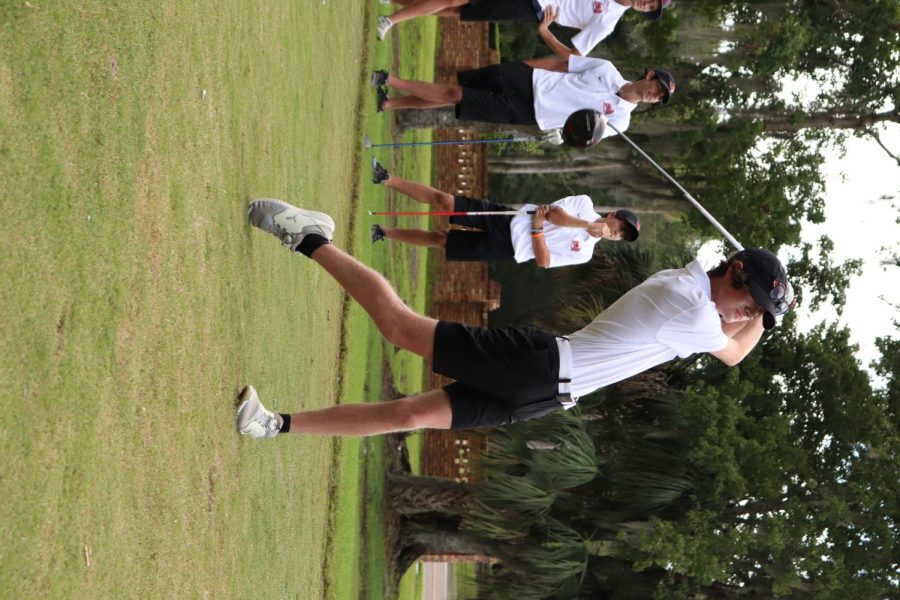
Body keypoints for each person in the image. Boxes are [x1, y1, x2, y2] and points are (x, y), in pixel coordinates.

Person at [235, 198, 795, 438]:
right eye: (749, 304)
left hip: (544, 395)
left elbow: (734, 336)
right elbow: (737, 351)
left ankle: (272, 425)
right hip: (541, 367)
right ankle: (307, 236)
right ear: (734, 270)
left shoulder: (700, 300)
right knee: (400, 328)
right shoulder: (690, 304)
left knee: (407, 416)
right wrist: (767, 324)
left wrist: (763, 309)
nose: (745, 315)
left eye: (754, 313)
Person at [368, 159, 640, 268]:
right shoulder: (585, 204)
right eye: (620, 226)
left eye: (621, 236)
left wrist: (536, 230)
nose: (617, 233)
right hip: (507, 219)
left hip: (508, 247)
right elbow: (554, 214)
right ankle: (386, 179)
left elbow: (544, 261)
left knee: (441, 239)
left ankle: (383, 232)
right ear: (613, 214)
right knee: (445, 200)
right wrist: (585, 225)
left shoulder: (585, 253)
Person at [370, 55, 675, 136]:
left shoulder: (621, 121)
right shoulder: (606, 69)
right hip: (529, 79)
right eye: (657, 88)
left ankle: (390, 79)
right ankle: (389, 102)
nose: (653, 95)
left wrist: (566, 135)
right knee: (454, 92)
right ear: (649, 76)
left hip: (530, 112)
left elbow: (584, 137)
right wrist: (523, 65)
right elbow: (561, 64)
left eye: (659, 98)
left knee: (456, 94)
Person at [375, 0, 672, 54]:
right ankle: (389, 19)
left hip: (532, 7)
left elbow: (576, 54)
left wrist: (545, 32)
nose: (646, 2)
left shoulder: (608, 21)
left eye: (649, 7)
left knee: (457, 9)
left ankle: (391, 8)